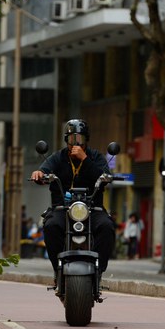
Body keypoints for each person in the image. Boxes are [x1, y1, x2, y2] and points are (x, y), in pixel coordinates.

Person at [30, 119, 116, 283]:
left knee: (107, 226)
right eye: (71, 139)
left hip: (92, 208)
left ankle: (98, 270)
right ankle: (58, 271)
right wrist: (39, 174)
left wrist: (85, 159)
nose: (76, 143)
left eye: (80, 139)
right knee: (50, 226)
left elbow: (104, 175)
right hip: (62, 208)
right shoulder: (58, 157)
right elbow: (44, 169)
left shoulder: (95, 156)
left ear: (86, 140)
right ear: (66, 140)